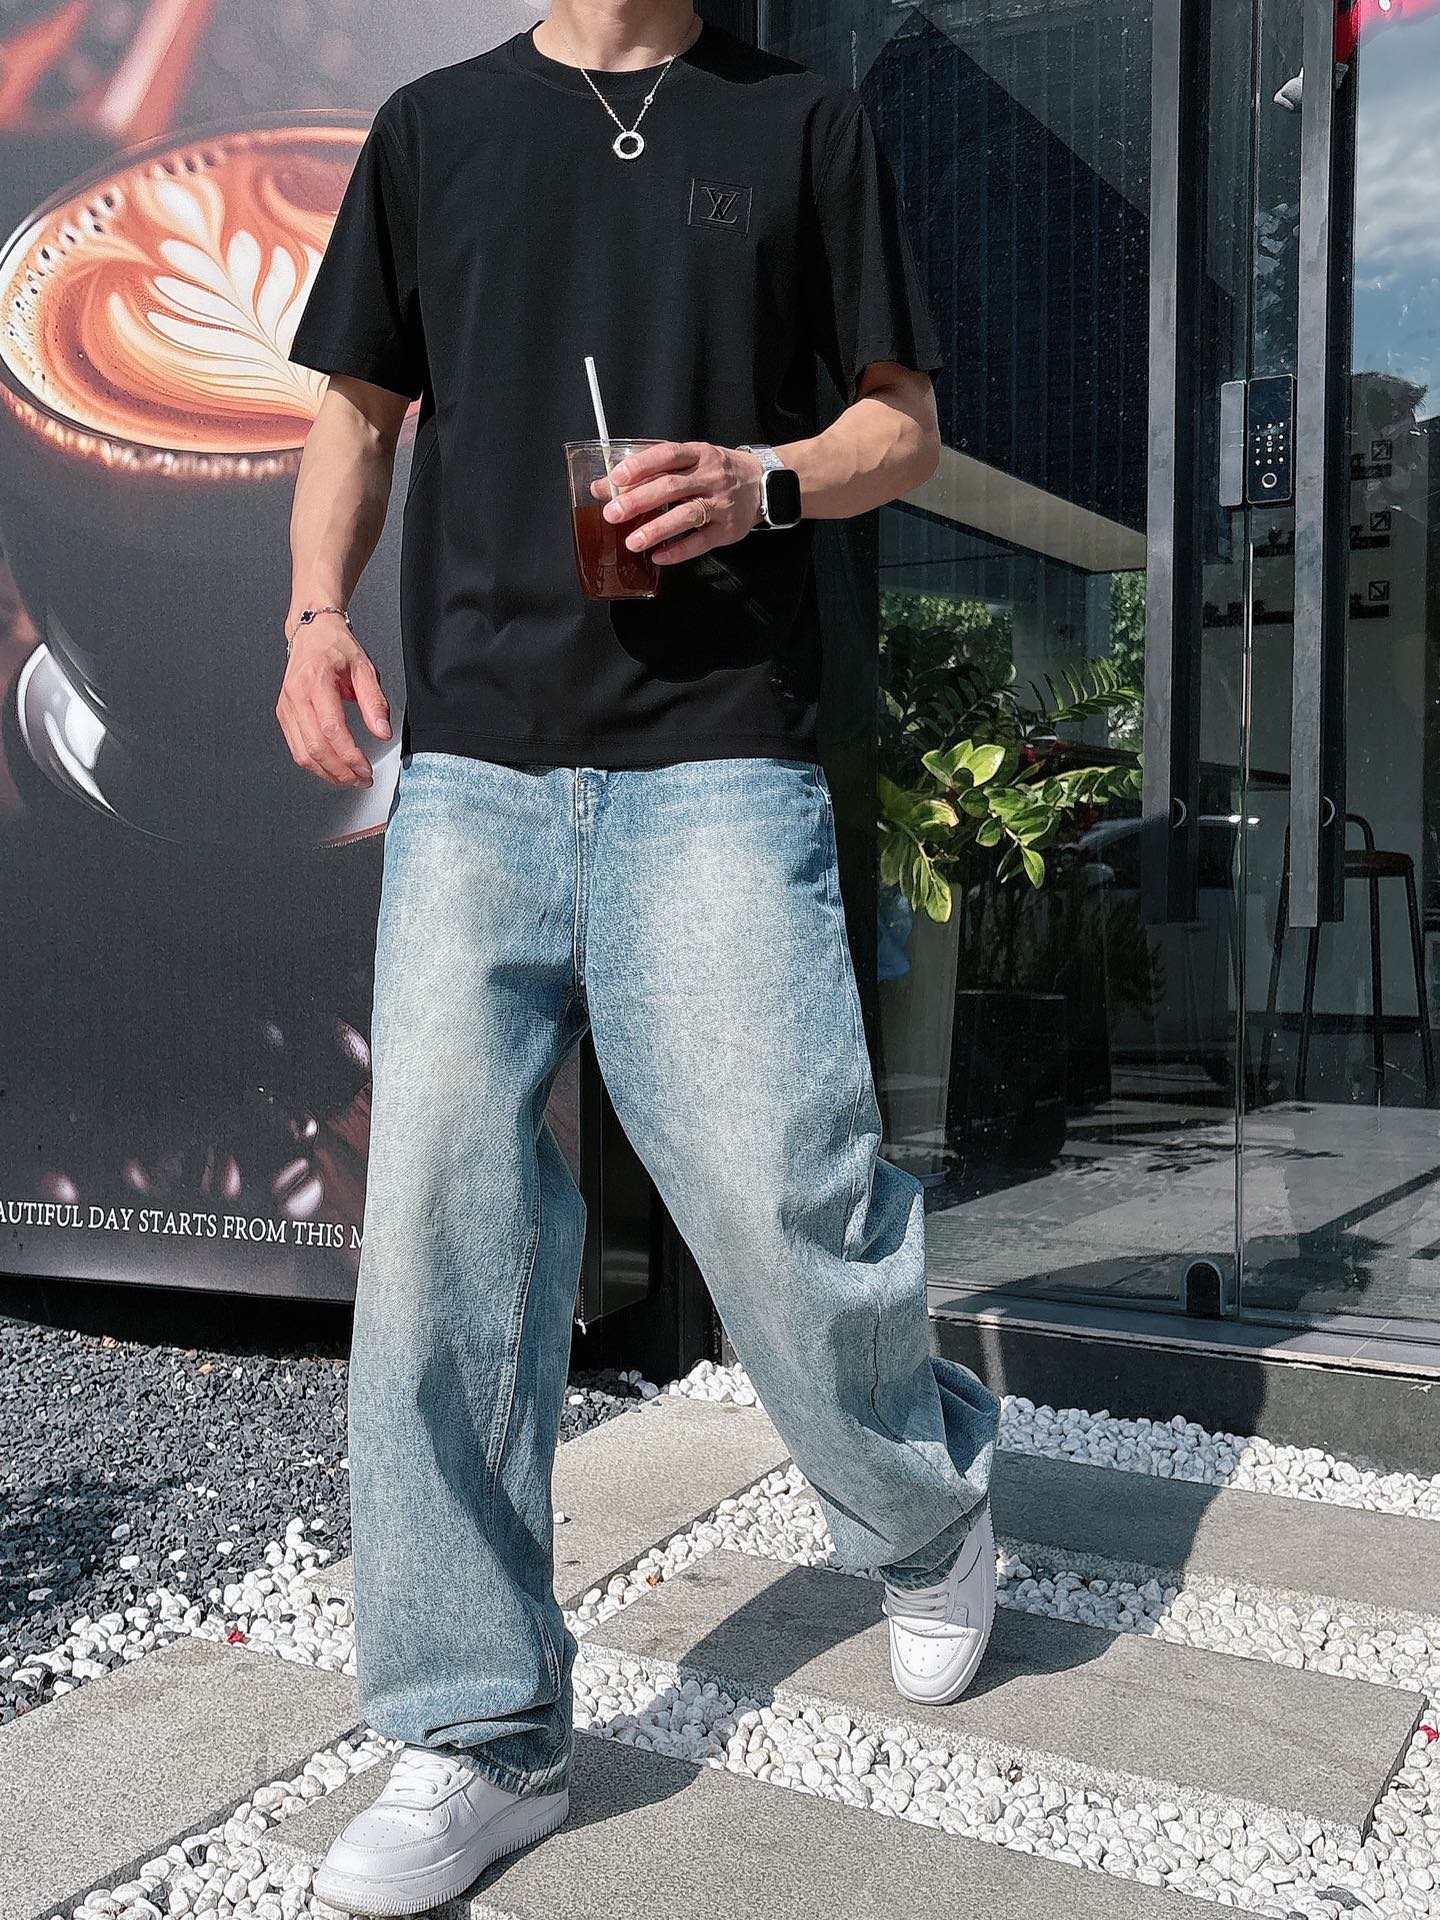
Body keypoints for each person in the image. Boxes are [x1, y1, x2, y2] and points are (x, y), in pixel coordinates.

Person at [278, 2, 1001, 1910]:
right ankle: (478, 1732)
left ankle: (926, 1510)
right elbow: (356, 409)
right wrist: (311, 615)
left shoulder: (802, 123)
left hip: (718, 755)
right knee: (440, 1239)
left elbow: (903, 426)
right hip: (477, 766)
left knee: (784, 1197)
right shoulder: (434, 130)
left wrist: (766, 478)